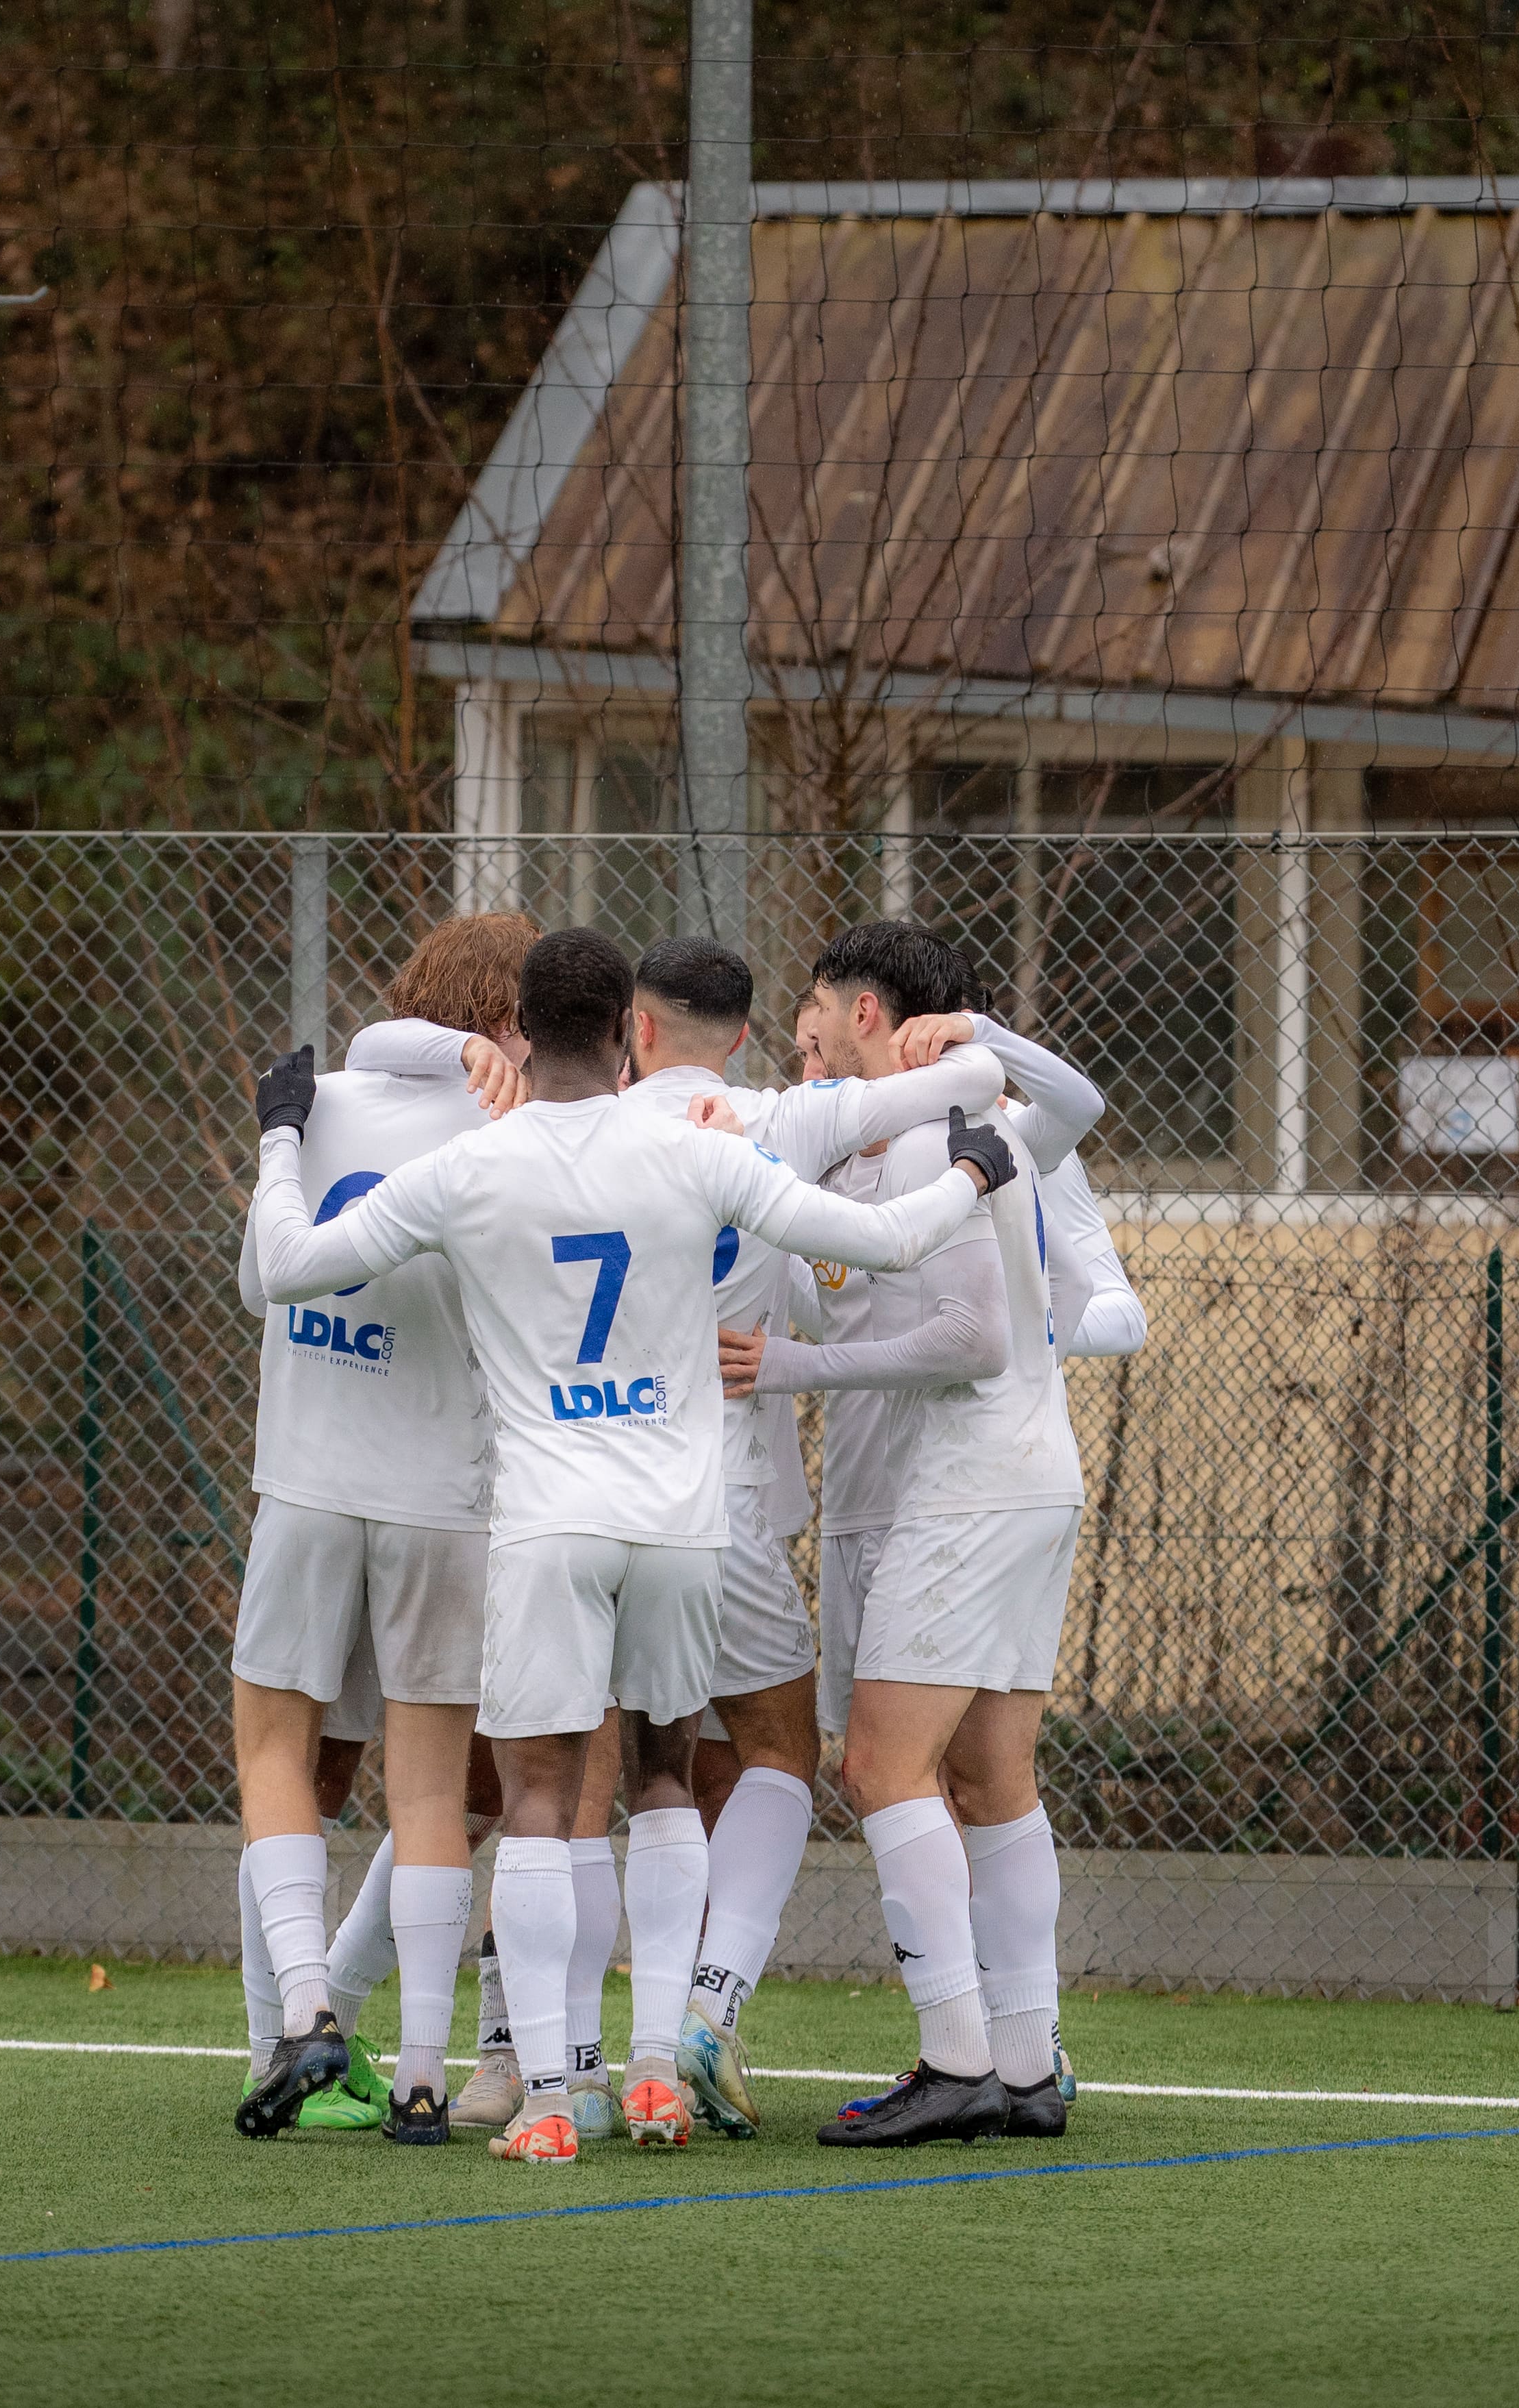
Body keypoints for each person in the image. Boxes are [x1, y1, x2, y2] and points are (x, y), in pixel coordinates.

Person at [247, 926, 1016, 2163]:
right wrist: (972, 1175)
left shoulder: (474, 1167)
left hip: (548, 1524)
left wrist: (285, 1136)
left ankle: (549, 2095)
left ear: (527, 1039)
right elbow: (883, 1241)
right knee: (667, 1785)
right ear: (624, 1039)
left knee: (547, 1800)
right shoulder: (691, 1146)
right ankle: (658, 2067)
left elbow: (287, 1266)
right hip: (681, 1523)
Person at [718, 921, 1107, 2146]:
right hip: (991, 1488)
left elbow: (971, 1336)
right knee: (989, 1779)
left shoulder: (948, 1133)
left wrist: (793, 1365)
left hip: (972, 1489)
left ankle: (955, 2059)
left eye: (815, 1013)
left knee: (879, 1768)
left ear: (870, 1011)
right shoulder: (863, 1145)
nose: (801, 1038)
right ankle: (1028, 2062)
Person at [231, 912, 533, 2146]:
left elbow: (266, 1278)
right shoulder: (505, 1125)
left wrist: (280, 1139)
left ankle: (305, 2016)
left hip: (306, 1479)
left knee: (274, 1753)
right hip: (445, 1497)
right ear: (505, 1019)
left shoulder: (322, 1104)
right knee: (428, 1792)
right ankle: (417, 2076)